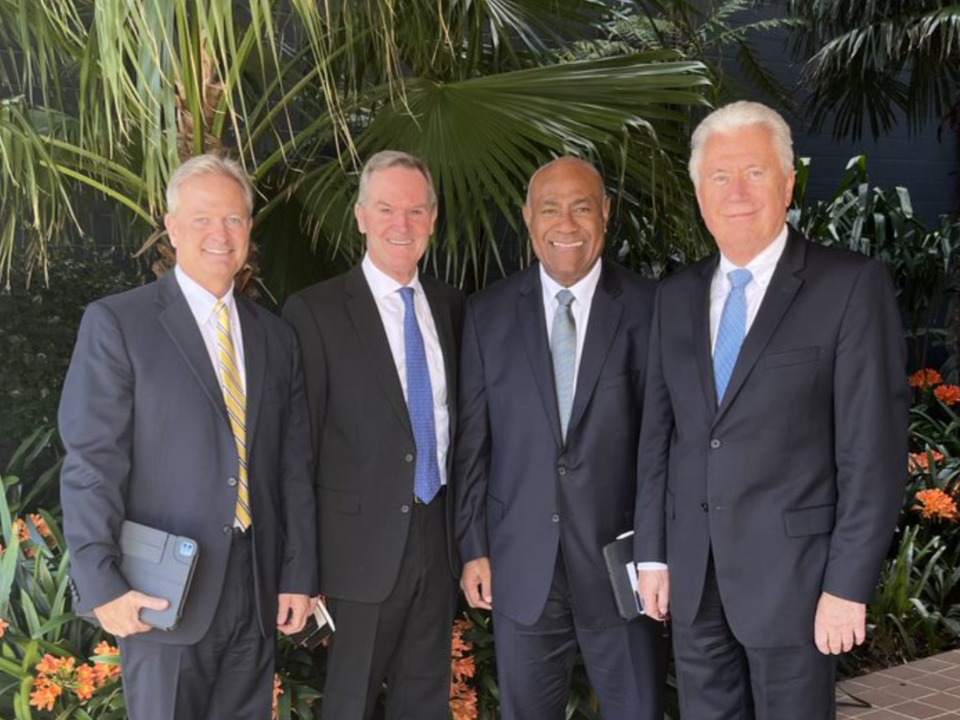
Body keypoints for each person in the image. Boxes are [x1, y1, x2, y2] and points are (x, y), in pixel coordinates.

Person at [634, 101, 909, 719]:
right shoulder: (674, 297)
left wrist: (846, 586)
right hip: (695, 579)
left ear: (787, 184)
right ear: (699, 194)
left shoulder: (849, 286)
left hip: (798, 583)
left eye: (754, 172)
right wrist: (652, 554)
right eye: (719, 176)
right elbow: (660, 437)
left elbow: (874, 454)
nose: (736, 192)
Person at [59, 153, 318, 720]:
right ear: (172, 229)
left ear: (250, 231)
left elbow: (292, 465)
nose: (219, 234)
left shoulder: (275, 338)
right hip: (160, 591)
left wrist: (298, 575)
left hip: (255, 588)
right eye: (201, 219)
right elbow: (92, 463)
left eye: (233, 219)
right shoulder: (118, 324)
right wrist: (101, 581)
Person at [455, 156, 669, 720]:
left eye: (582, 207)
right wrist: (473, 546)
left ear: (606, 213)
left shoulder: (654, 309)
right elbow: (473, 444)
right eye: (550, 208)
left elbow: (661, 447)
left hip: (620, 564)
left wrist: (656, 555)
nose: (566, 224)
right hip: (521, 562)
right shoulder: (486, 314)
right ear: (528, 217)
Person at [283, 150, 465, 720]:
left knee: (427, 701)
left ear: (433, 219)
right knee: (350, 705)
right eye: (386, 208)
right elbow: (297, 450)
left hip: (438, 544)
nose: (401, 224)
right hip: (355, 553)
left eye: (415, 210)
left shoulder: (454, 308)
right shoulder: (315, 312)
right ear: (360, 216)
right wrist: (300, 570)